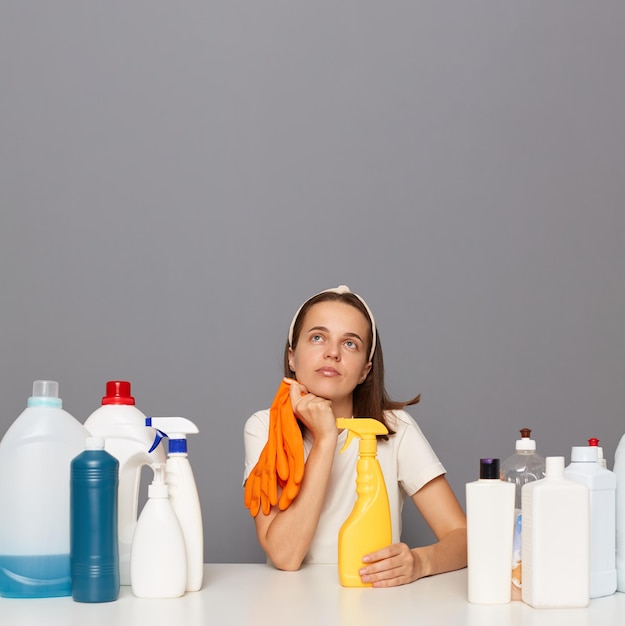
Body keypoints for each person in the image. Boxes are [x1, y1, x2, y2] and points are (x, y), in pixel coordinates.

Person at [243, 285, 467, 587]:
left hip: (375, 600)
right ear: (292, 357)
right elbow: (285, 555)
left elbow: (463, 537)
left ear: (365, 371)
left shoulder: (394, 428)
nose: (332, 352)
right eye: (318, 337)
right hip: (293, 606)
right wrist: (325, 440)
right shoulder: (264, 427)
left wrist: (420, 562)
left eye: (350, 344)